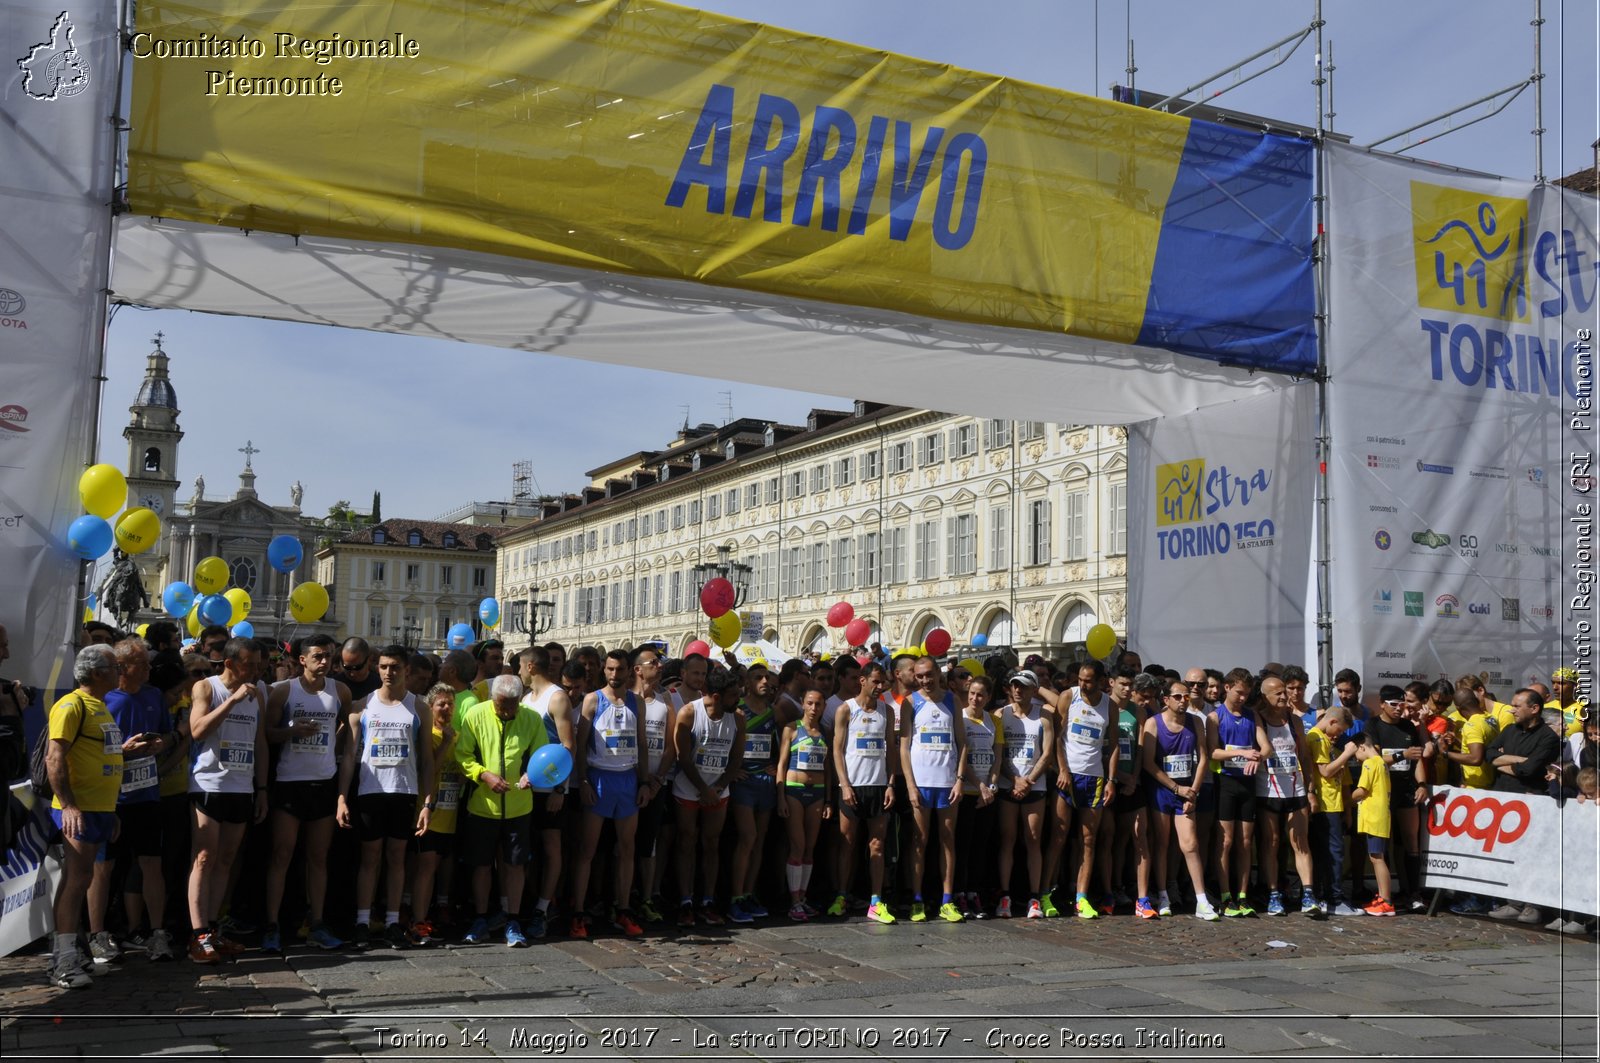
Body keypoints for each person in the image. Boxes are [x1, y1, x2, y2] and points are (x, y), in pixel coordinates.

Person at [336, 645, 434, 950]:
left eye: (394, 667)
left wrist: (428, 803)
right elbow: (350, 755)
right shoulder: (361, 706)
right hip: (370, 791)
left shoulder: (419, 707)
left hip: (403, 791)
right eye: (383, 667)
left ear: (406, 670)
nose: (389, 672)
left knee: (396, 858)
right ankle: (363, 922)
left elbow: (427, 759)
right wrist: (341, 797)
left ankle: (393, 922)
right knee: (370, 859)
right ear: (377, 668)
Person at [44, 646, 130, 988]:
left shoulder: (101, 707)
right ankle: (62, 961)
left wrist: (112, 809)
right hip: (78, 808)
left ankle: (74, 951)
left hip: (101, 807)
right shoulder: (71, 705)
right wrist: (68, 805)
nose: (119, 671)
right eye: (114, 666)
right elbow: (55, 757)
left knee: (80, 880)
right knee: (76, 880)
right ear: (96, 672)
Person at [260, 634, 350, 953]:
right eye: (317, 656)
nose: (324, 661)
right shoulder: (284, 691)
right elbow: (267, 734)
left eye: (328, 656)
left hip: (323, 781)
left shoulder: (340, 691)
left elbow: (346, 730)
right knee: (282, 854)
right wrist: (291, 732)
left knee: (318, 857)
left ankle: (318, 923)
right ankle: (272, 925)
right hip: (289, 781)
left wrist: (333, 749)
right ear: (302, 660)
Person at [186, 637, 269, 964]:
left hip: (242, 786)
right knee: (204, 857)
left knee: (226, 859)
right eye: (249, 664)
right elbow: (197, 730)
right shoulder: (206, 688)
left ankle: (213, 928)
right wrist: (232, 701)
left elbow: (260, 742)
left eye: (260, 664)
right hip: (208, 784)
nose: (256, 670)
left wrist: (261, 789)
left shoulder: (258, 693)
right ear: (231, 663)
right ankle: (197, 934)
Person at [101, 637, 178, 963]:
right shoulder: (105, 699)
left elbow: (167, 733)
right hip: (110, 797)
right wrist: (123, 751)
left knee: (151, 864)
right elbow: (91, 750)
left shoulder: (154, 696)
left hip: (146, 794)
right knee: (103, 868)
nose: (149, 668)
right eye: (142, 664)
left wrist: (160, 743)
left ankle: (157, 933)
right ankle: (97, 935)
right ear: (122, 668)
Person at [456, 673, 547, 946]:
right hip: (483, 806)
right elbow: (463, 755)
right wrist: (484, 775)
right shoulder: (476, 714)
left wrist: (531, 775)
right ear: (493, 698)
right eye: (500, 704)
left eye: (511, 705)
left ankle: (513, 920)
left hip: (519, 806)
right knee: (482, 865)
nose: (506, 710)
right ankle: (481, 918)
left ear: (520, 699)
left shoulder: (531, 718)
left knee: (515, 865)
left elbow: (542, 756)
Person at [569, 648, 649, 939]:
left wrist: (643, 782)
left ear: (630, 671)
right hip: (599, 778)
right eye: (611, 669)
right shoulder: (593, 700)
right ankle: (578, 913)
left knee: (626, 850)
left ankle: (623, 910)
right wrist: (583, 781)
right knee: (587, 851)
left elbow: (641, 742)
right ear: (604, 670)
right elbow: (580, 744)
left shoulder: (636, 702)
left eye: (621, 669)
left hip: (627, 779)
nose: (615, 675)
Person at [1042, 661, 1118, 921]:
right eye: (1081, 680)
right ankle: (1044, 893)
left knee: (1088, 840)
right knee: (1059, 836)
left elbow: (1114, 745)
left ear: (1101, 680)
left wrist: (1111, 780)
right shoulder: (1068, 696)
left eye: (1088, 680)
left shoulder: (1110, 705)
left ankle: (1081, 898)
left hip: (1094, 777)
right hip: (1068, 776)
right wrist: (1062, 769)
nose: (1083, 684)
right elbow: (1058, 738)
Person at [672, 667, 743, 926]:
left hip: (719, 789)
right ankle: (685, 901)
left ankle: (708, 900)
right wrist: (703, 789)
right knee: (686, 842)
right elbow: (682, 757)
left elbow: (736, 758)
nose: (738, 699)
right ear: (715, 695)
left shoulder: (737, 718)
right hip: (690, 787)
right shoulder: (689, 713)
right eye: (733, 695)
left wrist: (718, 787)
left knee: (711, 843)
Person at [1141, 678, 1217, 920]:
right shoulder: (1153, 724)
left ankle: (1201, 899)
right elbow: (1148, 764)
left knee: (1190, 844)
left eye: (1186, 696)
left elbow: (1203, 757)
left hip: (1188, 789)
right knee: (1162, 843)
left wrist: (1192, 790)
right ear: (1166, 700)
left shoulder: (1196, 722)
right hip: (1163, 791)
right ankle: (1162, 894)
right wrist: (1175, 788)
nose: (1183, 700)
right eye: (1177, 697)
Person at [899, 655, 967, 923]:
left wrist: (960, 779)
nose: (925, 681)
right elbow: (904, 745)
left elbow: (962, 742)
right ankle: (917, 899)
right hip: (921, 783)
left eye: (929, 675)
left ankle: (947, 900)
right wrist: (910, 785)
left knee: (947, 841)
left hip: (947, 782)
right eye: (919, 676)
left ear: (938, 673)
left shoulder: (952, 700)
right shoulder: (910, 703)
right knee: (919, 842)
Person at [831, 662, 898, 924]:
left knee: (877, 845)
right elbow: (837, 749)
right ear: (862, 680)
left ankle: (875, 900)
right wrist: (844, 784)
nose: (880, 688)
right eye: (876, 682)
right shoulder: (846, 709)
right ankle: (841, 895)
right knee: (846, 844)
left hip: (878, 786)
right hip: (852, 786)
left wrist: (891, 783)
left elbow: (890, 750)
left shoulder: (887, 711)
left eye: (883, 683)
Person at [1252, 676, 1321, 918]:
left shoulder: (1294, 721)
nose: (1284, 697)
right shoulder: (1257, 720)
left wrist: (1310, 789)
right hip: (1267, 791)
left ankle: (1309, 894)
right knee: (1270, 843)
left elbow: (1304, 758)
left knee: (1300, 843)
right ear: (1265, 697)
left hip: (1296, 790)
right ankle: (1273, 893)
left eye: (1285, 692)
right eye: (1277, 694)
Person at [727, 662, 788, 923]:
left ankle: (749, 893)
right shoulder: (737, 710)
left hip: (766, 780)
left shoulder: (776, 712)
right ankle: (735, 896)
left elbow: (785, 740)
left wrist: (778, 764)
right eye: (758, 678)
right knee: (747, 838)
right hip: (744, 781)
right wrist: (732, 771)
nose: (765, 681)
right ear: (748, 684)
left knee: (759, 840)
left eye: (767, 677)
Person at [520, 645, 574, 935]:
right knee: (527, 851)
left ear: (531, 667)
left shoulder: (557, 697)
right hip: (526, 788)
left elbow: (567, 746)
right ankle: (526, 904)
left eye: (519, 666)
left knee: (552, 848)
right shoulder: (527, 699)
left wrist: (559, 790)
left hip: (550, 790)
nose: (517, 672)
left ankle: (543, 908)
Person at [996, 670, 1052, 918]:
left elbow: (1047, 753)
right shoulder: (1001, 714)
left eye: (1024, 687)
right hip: (1010, 784)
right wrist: (1015, 779)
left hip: (1034, 785)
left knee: (1033, 840)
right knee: (1007, 839)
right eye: (1015, 686)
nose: (1018, 690)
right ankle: (1005, 895)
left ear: (1034, 689)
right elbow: (1000, 754)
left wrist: (1028, 780)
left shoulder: (1044, 716)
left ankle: (1034, 897)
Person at [408, 684, 460, 945]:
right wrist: (447, 742)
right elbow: (428, 768)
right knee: (426, 867)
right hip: (427, 811)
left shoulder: (457, 734)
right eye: (441, 704)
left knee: (436, 867)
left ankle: (426, 916)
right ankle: (417, 920)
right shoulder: (428, 734)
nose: (447, 708)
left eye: (451, 703)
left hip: (449, 815)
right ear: (431, 707)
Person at [1370, 685, 1430, 910]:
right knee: (1381, 844)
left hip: (1406, 790)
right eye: (1393, 704)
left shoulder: (1408, 726)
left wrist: (1422, 784)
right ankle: (1384, 894)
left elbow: (1417, 760)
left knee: (1410, 842)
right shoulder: (1374, 725)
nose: (1398, 708)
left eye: (1402, 704)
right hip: (1382, 792)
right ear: (1382, 704)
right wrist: (1400, 755)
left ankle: (1413, 893)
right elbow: (1374, 760)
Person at [1208, 667, 1261, 917]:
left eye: (1247, 694)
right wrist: (1240, 753)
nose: (1243, 698)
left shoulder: (1252, 716)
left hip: (1247, 782)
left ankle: (1242, 895)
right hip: (1225, 781)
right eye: (1239, 692)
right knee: (1226, 841)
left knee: (1245, 841)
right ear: (1227, 688)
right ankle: (1225, 895)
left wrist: (1258, 757)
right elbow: (1213, 752)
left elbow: (1267, 747)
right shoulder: (1216, 716)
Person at [630, 646, 677, 922]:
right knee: (623, 843)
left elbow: (671, 743)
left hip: (657, 783)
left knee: (650, 843)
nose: (660, 666)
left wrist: (658, 779)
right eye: (654, 662)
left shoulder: (665, 701)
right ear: (638, 669)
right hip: (630, 781)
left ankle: (647, 897)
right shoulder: (626, 700)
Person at [776, 688, 832, 920]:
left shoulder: (825, 731)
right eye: (809, 703)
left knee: (810, 848)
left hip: (817, 792)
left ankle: (802, 897)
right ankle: (793, 901)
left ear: (823, 707)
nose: (813, 708)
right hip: (794, 790)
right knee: (797, 846)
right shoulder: (791, 728)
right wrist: (780, 796)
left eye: (818, 704)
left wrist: (829, 799)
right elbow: (781, 763)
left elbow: (828, 769)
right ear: (802, 704)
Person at [953, 674, 1001, 918]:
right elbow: (961, 756)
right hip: (968, 793)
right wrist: (979, 786)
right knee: (963, 846)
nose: (975, 698)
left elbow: (997, 756)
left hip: (987, 796)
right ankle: (959, 893)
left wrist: (990, 787)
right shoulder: (959, 718)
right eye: (972, 693)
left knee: (980, 847)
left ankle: (974, 893)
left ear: (988, 697)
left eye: (981, 694)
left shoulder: (994, 721)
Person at [1304, 706, 1359, 916]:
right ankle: (1332, 897)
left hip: (1332, 803)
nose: (1340, 735)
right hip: (1325, 803)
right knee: (1333, 852)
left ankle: (1326, 894)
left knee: (1329, 851)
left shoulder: (1323, 739)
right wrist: (1346, 754)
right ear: (1333, 722)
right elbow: (1325, 771)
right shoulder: (1316, 738)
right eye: (1340, 730)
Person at [1348, 734, 1394, 916]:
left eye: (1354, 754)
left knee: (1377, 858)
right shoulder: (1382, 763)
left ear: (1361, 748)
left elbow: (1362, 791)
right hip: (1381, 815)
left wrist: (1347, 799)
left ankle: (1386, 900)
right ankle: (1383, 896)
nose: (1355, 759)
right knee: (1377, 857)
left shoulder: (1370, 763)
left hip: (1374, 816)